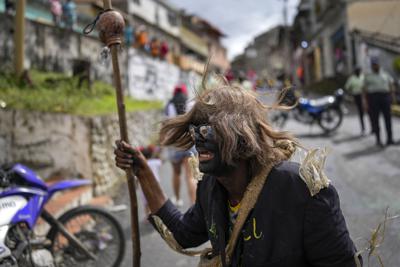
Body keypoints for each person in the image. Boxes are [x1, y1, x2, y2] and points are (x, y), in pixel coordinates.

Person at [114, 76, 361, 266]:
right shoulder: (210, 188)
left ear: (240, 134)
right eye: (194, 129)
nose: (198, 139)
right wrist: (143, 173)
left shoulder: (301, 189)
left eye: (207, 129)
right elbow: (183, 235)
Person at [164, 84, 197, 206]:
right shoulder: (191, 104)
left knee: (176, 173)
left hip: (174, 144)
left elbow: (165, 124)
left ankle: (177, 199)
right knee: (191, 176)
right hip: (189, 143)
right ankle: (193, 204)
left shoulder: (169, 105)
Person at [363, 57, 396, 146]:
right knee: (375, 119)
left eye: (376, 64)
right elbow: (364, 90)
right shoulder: (368, 76)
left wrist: (392, 96)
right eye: (373, 65)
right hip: (373, 98)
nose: (375, 66)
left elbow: (391, 84)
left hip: (385, 97)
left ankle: (390, 139)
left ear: (379, 64)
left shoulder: (385, 74)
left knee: (388, 119)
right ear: (371, 66)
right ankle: (378, 140)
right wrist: (365, 102)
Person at [138, 145, 162, 217]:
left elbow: (137, 176)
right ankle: (159, 214)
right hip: (155, 183)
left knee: (146, 201)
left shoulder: (141, 164)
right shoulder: (155, 162)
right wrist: (157, 153)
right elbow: (160, 160)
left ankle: (148, 215)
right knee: (157, 199)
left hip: (144, 184)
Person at [345, 67, 368, 135]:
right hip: (357, 96)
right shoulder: (352, 78)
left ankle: (373, 128)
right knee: (361, 112)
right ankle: (363, 128)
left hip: (364, 95)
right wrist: (351, 94)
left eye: (359, 71)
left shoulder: (363, 77)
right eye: (357, 71)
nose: (358, 72)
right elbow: (347, 87)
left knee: (369, 111)